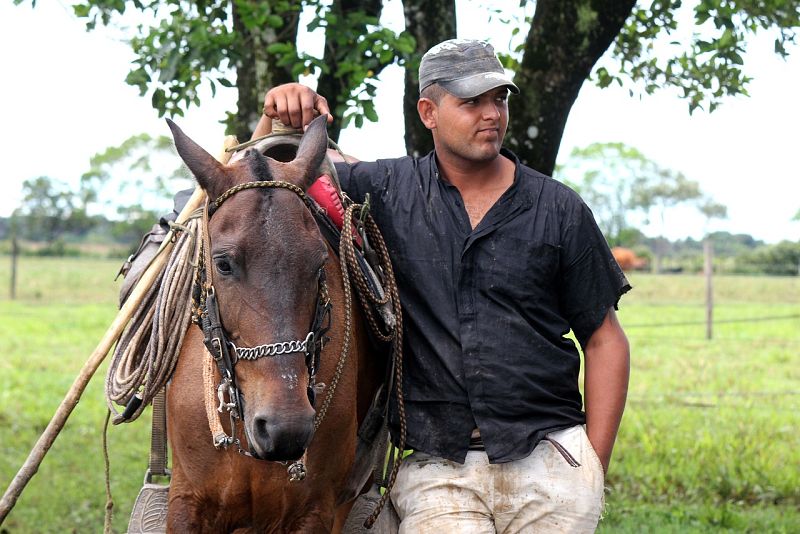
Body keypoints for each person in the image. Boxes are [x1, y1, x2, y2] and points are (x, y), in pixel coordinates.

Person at [253, 39, 631, 533]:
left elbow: (605, 340)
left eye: (499, 99)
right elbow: (265, 184)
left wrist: (591, 469)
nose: (491, 113)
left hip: (550, 458)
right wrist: (277, 113)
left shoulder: (559, 209)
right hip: (438, 469)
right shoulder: (382, 193)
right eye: (471, 101)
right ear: (428, 111)